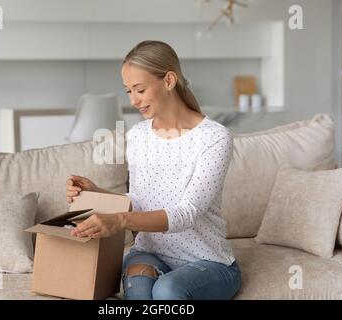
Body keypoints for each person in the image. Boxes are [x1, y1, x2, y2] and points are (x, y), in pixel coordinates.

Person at [65, 40, 241, 300]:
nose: (134, 100)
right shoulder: (138, 136)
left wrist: (120, 221)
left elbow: (187, 213)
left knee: (168, 291)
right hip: (151, 253)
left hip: (208, 262)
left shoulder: (214, 138)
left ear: (169, 80)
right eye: (128, 91)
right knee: (140, 291)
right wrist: (97, 193)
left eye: (140, 89)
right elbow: (139, 202)